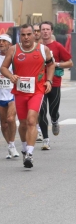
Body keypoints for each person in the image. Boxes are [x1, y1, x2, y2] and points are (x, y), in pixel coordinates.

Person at [1, 24, 55, 168]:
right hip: (20, 91)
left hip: (37, 90)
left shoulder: (43, 49)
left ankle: (30, 154)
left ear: (34, 34)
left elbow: (51, 65)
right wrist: (11, 76)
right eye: (23, 35)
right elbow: (3, 68)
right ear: (20, 36)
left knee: (32, 120)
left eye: (28, 34)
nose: (26, 37)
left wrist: (49, 80)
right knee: (23, 123)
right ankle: (25, 148)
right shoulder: (13, 50)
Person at [38, 21, 73, 150]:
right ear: (40, 32)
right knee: (41, 112)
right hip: (39, 84)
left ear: (51, 31)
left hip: (54, 83)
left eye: (48, 29)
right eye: (43, 29)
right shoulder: (36, 46)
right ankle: (46, 140)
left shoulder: (57, 46)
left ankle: (54, 120)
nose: (45, 31)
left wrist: (55, 64)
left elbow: (70, 63)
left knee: (53, 110)